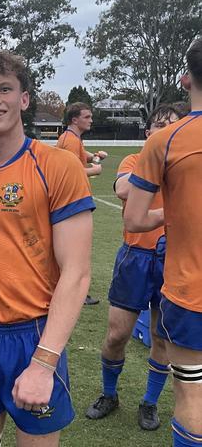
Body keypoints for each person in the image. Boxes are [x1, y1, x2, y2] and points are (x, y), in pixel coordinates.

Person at [0, 51, 95, 447]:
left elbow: (77, 273)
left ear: (24, 99)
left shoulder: (58, 166)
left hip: (32, 335)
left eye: (4, 89)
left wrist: (44, 362)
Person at [125, 37, 202, 447]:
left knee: (192, 393)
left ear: (185, 79)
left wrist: (174, 214)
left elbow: (136, 218)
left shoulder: (167, 138)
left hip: (190, 291)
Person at [85, 104, 182, 430]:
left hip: (173, 259)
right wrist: (158, 160)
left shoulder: (185, 166)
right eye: (160, 126)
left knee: (161, 338)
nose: (166, 132)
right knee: (117, 335)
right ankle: (109, 394)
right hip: (135, 257)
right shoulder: (133, 161)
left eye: (172, 127)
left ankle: (150, 403)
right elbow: (123, 188)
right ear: (148, 133)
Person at [56, 101, 106, 306]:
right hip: (72, 200)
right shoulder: (69, 140)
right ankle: (75, 291)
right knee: (75, 250)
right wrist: (94, 170)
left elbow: (80, 155)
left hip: (73, 199)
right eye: (87, 117)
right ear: (74, 119)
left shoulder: (73, 138)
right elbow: (69, 171)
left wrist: (94, 156)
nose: (91, 120)